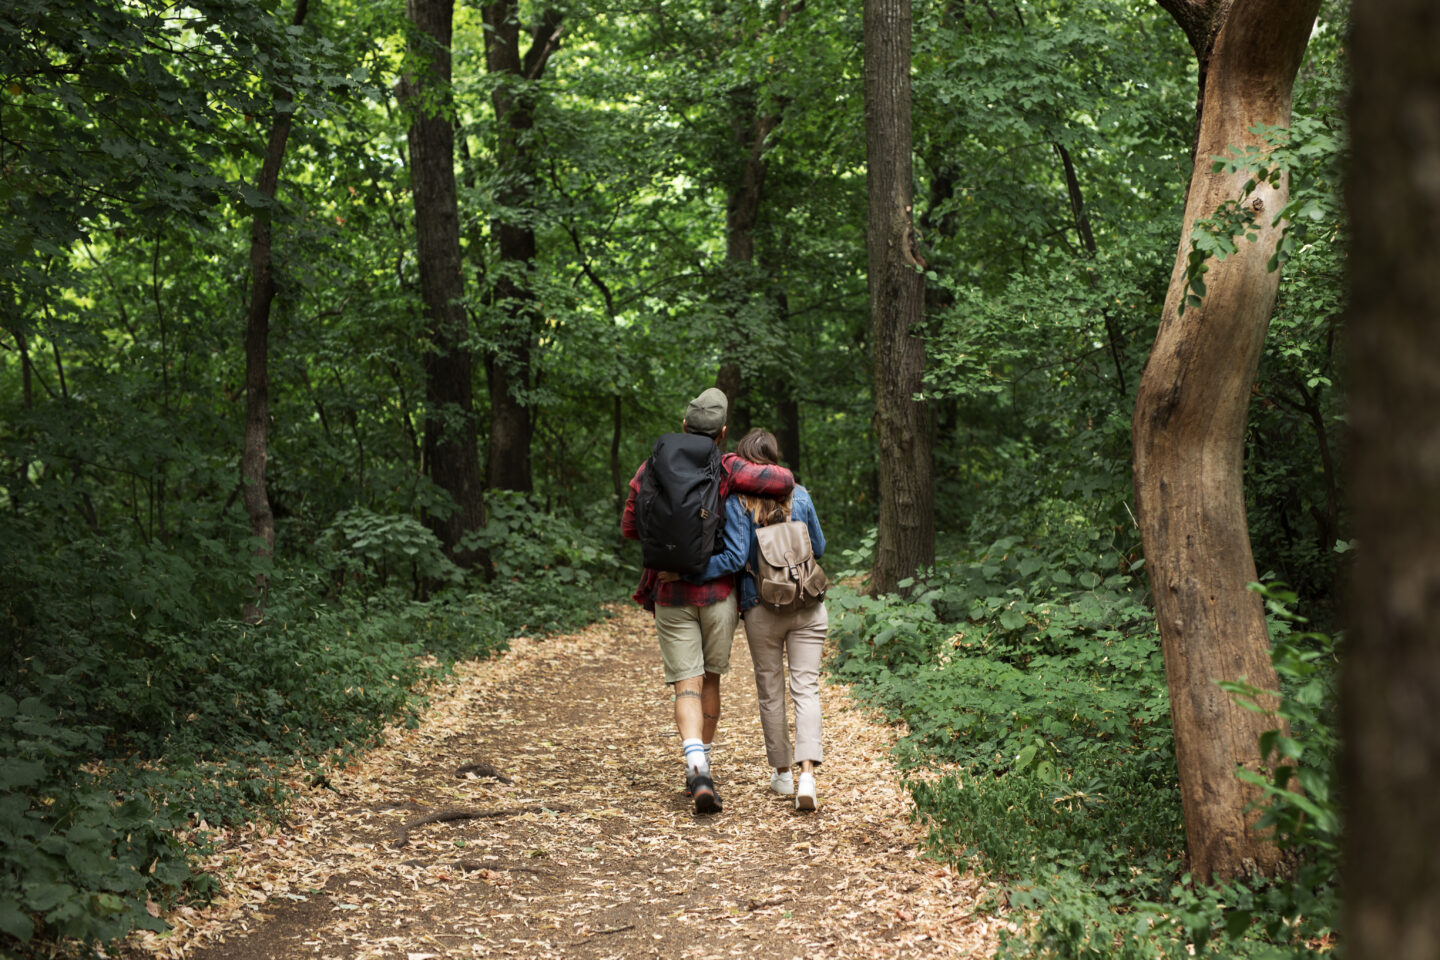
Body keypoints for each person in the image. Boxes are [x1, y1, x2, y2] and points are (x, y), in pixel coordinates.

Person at [621, 389, 794, 814]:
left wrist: (671, 549)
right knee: (711, 679)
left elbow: (629, 526)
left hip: (669, 591)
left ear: (683, 426)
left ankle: (696, 763)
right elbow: (783, 481)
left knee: (687, 684)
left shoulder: (651, 467)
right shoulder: (727, 465)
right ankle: (703, 764)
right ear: (722, 432)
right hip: (718, 594)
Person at [687, 428, 828, 811]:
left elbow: (734, 559)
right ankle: (808, 775)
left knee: (771, 690)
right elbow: (821, 546)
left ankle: (782, 775)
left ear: (745, 461)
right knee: (807, 689)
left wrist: (691, 570)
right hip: (808, 604)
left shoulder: (737, 502)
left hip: (762, 607)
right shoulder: (799, 494)